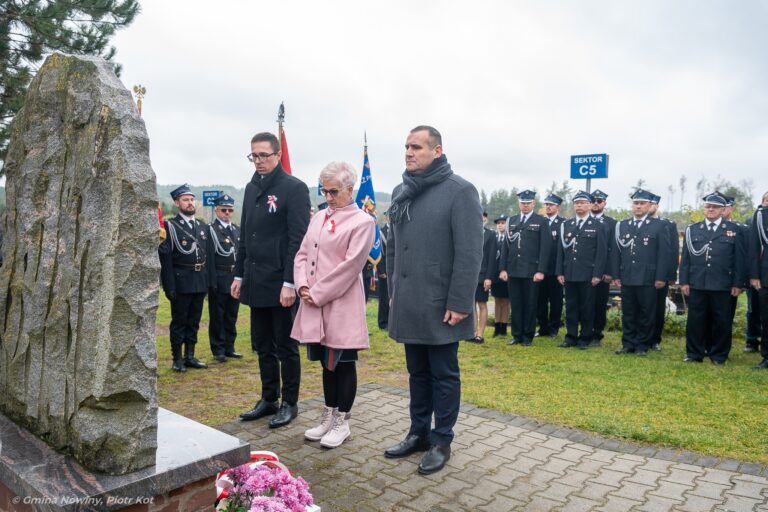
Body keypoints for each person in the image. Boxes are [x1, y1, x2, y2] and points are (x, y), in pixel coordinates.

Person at [383, 125, 482, 475]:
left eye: (417, 147)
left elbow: (469, 254)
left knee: (443, 373)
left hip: (442, 304)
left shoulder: (460, 191)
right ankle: (418, 432)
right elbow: (394, 247)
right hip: (409, 300)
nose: (409, 153)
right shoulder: (401, 191)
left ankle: (442, 440)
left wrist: (459, 302)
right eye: (406, 147)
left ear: (437, 151)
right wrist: (394, 293)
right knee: (417, 372)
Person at [291, 161, 375, 448]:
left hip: (340, 304)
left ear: (350, 189)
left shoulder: (362, 222)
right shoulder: (318, 218)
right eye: (324, 190)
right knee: (326, 363)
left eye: (334, 191)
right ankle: (328, 415)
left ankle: (343, 422)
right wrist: (302, 284)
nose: (328, 197)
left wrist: (318, 292)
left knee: (343, 362)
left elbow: (350, 266)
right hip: (314, 301)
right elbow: (302, 253)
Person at [234, 132, 311, 428]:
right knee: (262, 344)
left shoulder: (293, 188)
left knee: (285, 346)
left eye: (264, 155)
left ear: (278, 155)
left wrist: (290, 282)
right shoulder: (251, 187)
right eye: (254, 155)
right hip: (255, 280)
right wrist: (239, 273)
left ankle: (289, 402)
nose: (259, 161)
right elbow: (245, 235)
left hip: (281, 282)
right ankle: (269, 398)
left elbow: (298, 241)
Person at [679, 193, 746, 365]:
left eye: (715, 207)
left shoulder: (734, 230)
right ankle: (694, 353)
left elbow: (739, 258)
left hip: (723, 283)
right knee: (695, 320)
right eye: (708, 206)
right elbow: (685, 259)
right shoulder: (693, 229)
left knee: (722, 321)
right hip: (698, 282)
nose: (710, 209)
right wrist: (684, 281)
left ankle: (718, 355)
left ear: (723, 210)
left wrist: (738, 283)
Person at [612, 189, 672, 356]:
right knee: (629, 311)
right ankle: (628, 343)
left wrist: (661, 277)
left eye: (642, 203)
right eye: (636, 203)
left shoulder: (659, 226)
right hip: (628, 275)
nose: (638, 206)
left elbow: (663, 254)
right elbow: (616, 252)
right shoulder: (623, 225)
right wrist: (616, 275)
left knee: (646, 312)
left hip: (648, 277)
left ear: (649, 206)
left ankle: (642, 345)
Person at [159, 184, 210, 372]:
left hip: (199, 280)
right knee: (179, 321)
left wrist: (208, 282)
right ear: (177, 203)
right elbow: (166, 259)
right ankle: (177, 358)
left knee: (194, 321)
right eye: (185, 200)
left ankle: (190, 355)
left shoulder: (201, 226)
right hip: (180, 281)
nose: (190, 203)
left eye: (191, 199)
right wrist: (169, 285)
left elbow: (208, 257)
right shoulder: (170, 227)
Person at [499, 190, 552, 346]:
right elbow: (505, 247)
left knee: (530, 304)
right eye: (523, 203)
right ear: (519, 204)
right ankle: (516, 335)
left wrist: (541, 270)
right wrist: (503, 268)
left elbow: (545, 248)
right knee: (516, 303)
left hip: (531, 271)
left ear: (533, 204)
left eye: (528, 203)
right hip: (513, 269)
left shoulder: (541, 221)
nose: (525, 206)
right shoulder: (512, 221)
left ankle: (528, 336)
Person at [556, 191, 607, 349]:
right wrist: (560, 272)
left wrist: (597, 274)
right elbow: (560, 251)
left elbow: (601, 252)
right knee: (571, 307)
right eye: (576, 203)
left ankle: (585, 338)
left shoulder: (599, 225)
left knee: (587, 308)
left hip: (588, 274)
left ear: (591, 205)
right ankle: (570, 337)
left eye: (583, 202)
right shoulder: (566, 225)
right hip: (569, 272)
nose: (579, 205)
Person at [207, 194, 243, 363]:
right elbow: (211, 258)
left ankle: (230, 347)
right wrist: (212, 282)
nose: (227, 213)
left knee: (232, 315)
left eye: (230, 210)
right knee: (217, 316)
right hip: (220, 277)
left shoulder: (236, 230)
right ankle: (218, 349)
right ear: (217, 210)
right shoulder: (211, 230)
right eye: (223, 210)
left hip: (234, 278)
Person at [648, 194, 679, 351]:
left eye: (652, 204)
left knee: (658, 307)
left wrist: (671, 275)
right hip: (642, 273)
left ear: (657, 206)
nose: (648, 206)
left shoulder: (667, 225)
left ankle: (655, 339)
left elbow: (672, 251)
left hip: (661, 274)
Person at [589, 190, 616, 346]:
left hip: (603, 272)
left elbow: (612, 249)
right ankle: (585, 331)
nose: (596, 203)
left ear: (605, 203)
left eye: (599, 200)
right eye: (593, 200)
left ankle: (597, 334)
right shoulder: (583, 221)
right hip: (585, 270)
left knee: (599, 304)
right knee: (585, 303)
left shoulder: (612, 223)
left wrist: (609, 271)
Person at [537, 194, 565, 338]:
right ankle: (542, 328)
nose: (548, 207)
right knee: (540, 300)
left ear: (558, 207)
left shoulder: (563, 224)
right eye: (546, 204)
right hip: (540, 268)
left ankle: (553, 328)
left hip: (555, 269)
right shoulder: (540, 222)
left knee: (556, 301)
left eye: (551, 205)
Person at [467, 212, 496, 344]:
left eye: (484, 218)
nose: (481, 220)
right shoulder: (468, 232)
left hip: (483, 275)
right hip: (469, 275)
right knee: (470, 305)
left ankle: (480, 334)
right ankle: (471, 332)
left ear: (486, 219)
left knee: (482, 304)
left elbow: (491, 259)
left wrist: (489, 277)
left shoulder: (490, 235)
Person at [745, 193, 768, 352]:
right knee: (764, 316)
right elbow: (753, 249)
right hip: (765, 276)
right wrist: (754, 275)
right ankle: (766, 354)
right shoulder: (759, 218)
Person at [488, 215, 511, 336]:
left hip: (506, 273)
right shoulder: (493, 238)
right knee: (497, 300)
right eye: (498, 223)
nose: (500, 225)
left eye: (503, 223)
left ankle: (504, 326)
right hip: (495, 274)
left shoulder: (510, 238)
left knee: (506, 301)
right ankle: (497, 326)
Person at [377, 212, 390, 330]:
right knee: (384, 297)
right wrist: (381, 270)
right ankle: (383, 322)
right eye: (389, 215)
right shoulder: (381, 232)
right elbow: (379, 253)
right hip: (384, 270)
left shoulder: (398, 230)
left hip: (394, 270)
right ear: (386, 217)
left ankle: (391, 320)